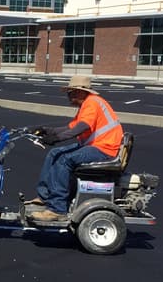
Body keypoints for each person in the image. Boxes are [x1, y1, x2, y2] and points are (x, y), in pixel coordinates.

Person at [28, 75, 123, 221]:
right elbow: (69, 127)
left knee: (64, 159)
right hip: (95, 145)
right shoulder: (88, 104)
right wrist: (48, 130)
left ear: (79, 92)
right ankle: (45, 196)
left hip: (103, 148)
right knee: (54, 153)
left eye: (70, 92)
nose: (68, 96)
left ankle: (57, 209)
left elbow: (80, 128)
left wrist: (57, 138)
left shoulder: (92, 102)